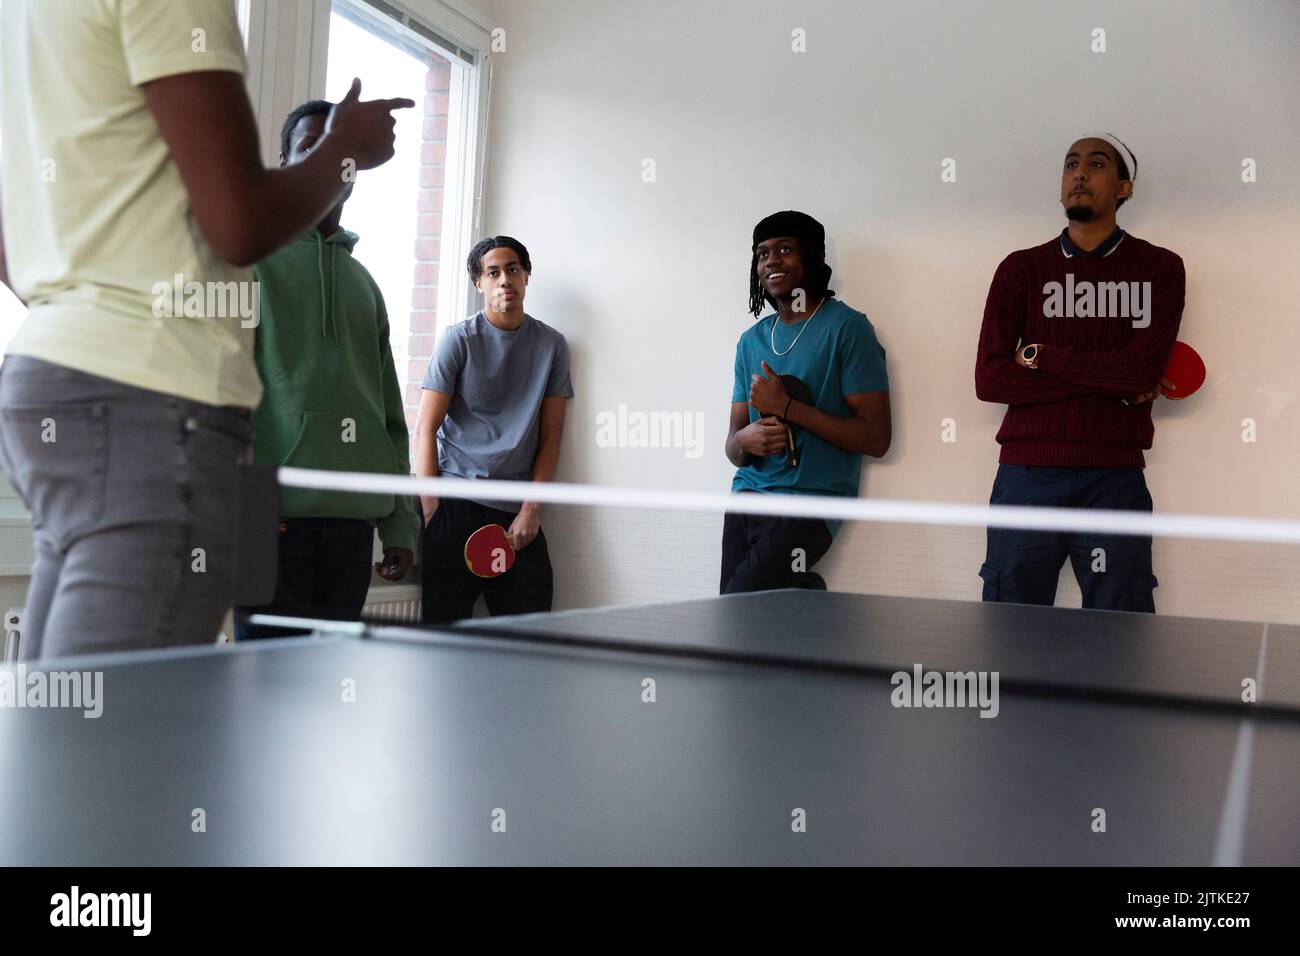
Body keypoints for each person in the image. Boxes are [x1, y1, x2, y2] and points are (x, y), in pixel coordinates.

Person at [0, 0, 412, 658]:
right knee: (115, 741)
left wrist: (78, 307)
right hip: (151, 400)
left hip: (55, 380)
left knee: (62, 722)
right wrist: (346, 149)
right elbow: (239, 223)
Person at [974, 133, 1185, 612]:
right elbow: (990, 379)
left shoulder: (1159, 268)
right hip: (1024, 475)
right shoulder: (1019, 269)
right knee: (1011, 622)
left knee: (1121, 626)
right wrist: (1112, 382)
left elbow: (1140, 371)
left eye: (1096, 164)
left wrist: (1041, 355)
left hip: (1114, 476)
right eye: (1071, 165)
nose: (1080, 174)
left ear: (1124, 188)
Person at [236, 101, 418, 639]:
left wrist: (400, 520)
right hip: (267, 521)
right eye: (309, 147)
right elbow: (219, 402)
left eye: (338, 148)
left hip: (351, 528)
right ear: (285, 161)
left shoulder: (366, 286)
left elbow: (389, 418)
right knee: (259, 698)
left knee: (327, 700)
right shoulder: (247, 265)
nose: (328, 159)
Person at [722, 211, 891, 593]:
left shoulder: (847, 328)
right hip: (747, 500)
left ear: (814, 258)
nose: (771, 261)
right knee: (738, 618)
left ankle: (806, 595)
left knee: (736, 611)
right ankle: (805, 596)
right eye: (762, 253)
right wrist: (744, 440)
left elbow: (877, 439)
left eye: (785, 250)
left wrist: (788, 408)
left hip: (810, 507)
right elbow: (733, 448)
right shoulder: (750, 341)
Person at [414, 237, 572, 623]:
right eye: (493, 272)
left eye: (513, 269)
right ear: (478, 282)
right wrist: (434, 511)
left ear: (527, 276)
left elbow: (552, 436)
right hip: (454, 505)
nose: (505, 280)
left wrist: (531, 510)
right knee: (442, 644)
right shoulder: (458, 339)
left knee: (530, 639)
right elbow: (424, 429)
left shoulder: (552, 345)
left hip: (516, 513)